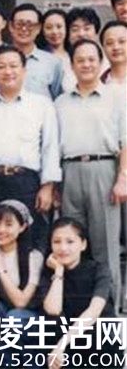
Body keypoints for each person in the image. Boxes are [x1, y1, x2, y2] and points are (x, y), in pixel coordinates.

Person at [0, 45, 61, 252]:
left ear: (24, 70)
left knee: (28, 241)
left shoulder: (42, 105)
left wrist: (48, 187)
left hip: (26, 182)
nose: (8, 71)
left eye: (13, 66)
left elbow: (50, 148)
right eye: (1, 67)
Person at [55, 39, 126, 311]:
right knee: (70, 243)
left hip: (103, 169)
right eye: (80, 60)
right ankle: (77, 310)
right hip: (69, 171)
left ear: (100, 62)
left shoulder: (116, 97)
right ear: (72, 65)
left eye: (91, 59)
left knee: (105, 245)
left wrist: (122, 178)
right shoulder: (61, 102)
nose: (86, 64)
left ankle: (110, 312)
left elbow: (125, 141)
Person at [38, 218, 123, 369]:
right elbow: (53, 309)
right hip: (65, 346)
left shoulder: (99, 270)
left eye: (70, 242)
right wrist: (59, 272)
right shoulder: (49, 272)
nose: (63, 248)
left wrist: (62, 344)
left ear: (83, 244)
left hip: (99, 343)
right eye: (56, 242)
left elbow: (93, 312)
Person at [0, 200, 44, 366]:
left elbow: (21, 302)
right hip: (5, 314)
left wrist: (1, 270)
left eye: (9, 224)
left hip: (32, 317)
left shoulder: (33, 256)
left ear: (22, 227)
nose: (1, 229)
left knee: (14, 318)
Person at [9, 3, 63, 100]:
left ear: (38, 28)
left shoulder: (53, 62)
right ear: (11, 27)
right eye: (19, 24)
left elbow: (58, 99)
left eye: (30, 25)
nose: (24, 29)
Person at [38, 9, 74, 92]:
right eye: (49, 28)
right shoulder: (39, 58)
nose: (54, 32)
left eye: (59, 27)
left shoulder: (74, 55)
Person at [100, 20, 127, 85]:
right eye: (109, 43)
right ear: (103, 48)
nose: (116, 47)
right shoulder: (97, 85)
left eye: (121, 41)